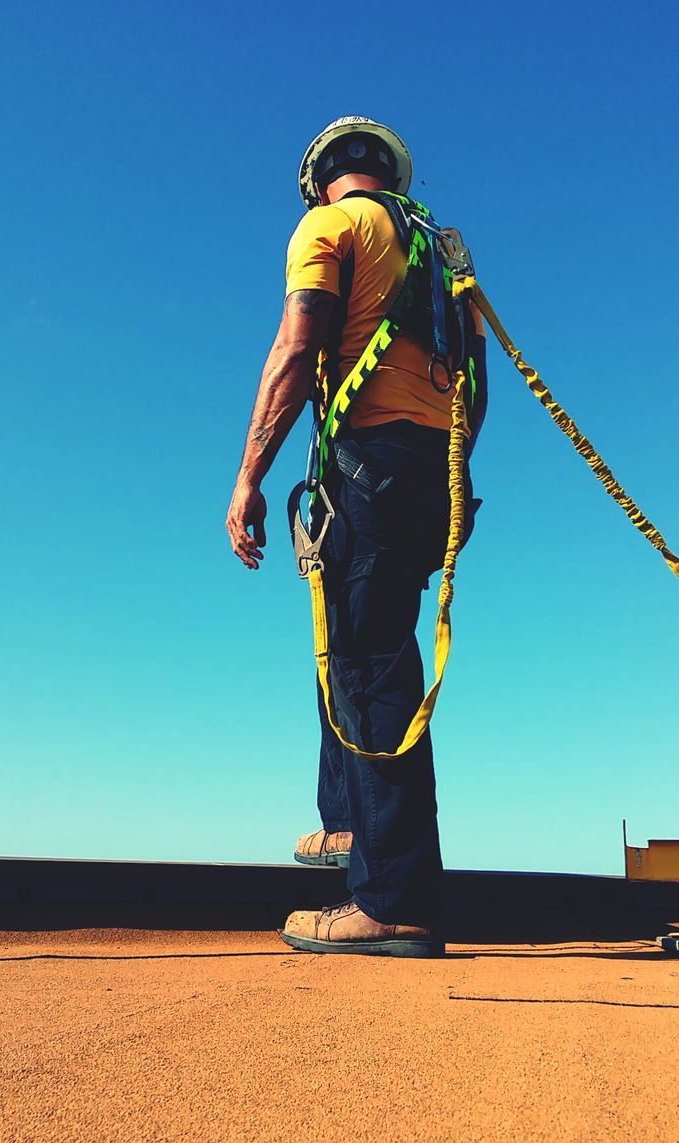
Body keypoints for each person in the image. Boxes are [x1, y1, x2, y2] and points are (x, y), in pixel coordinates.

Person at [226, 117, 487, 957]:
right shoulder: (442, 250)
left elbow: (297, 350)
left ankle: (392, 902)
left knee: (374, 670)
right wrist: (456, 477)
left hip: (367, 460)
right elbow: (475, 381)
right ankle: (348, 826)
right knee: (355, 650)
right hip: (428, 465)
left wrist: (249, 477)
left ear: (322, 179)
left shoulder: (330, 227)